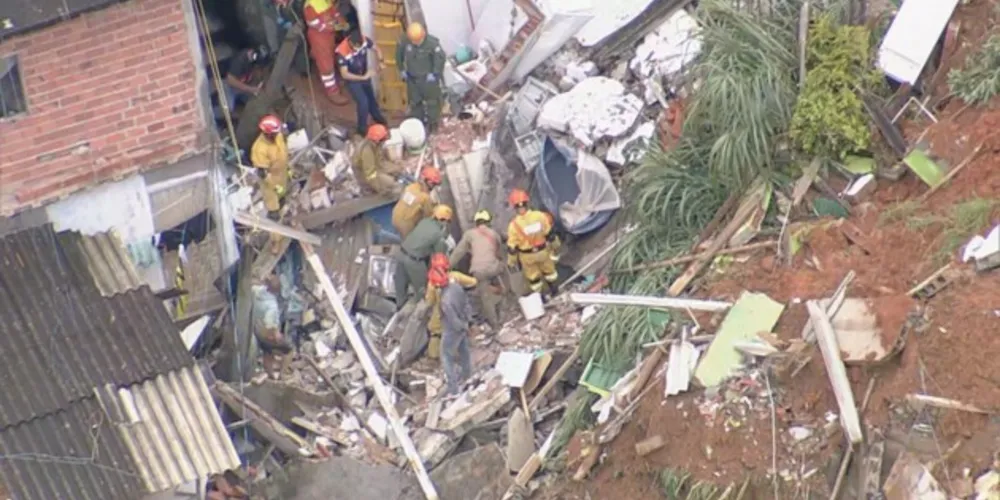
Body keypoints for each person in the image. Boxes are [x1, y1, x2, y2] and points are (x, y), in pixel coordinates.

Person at [450, 209, 505, 329]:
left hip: (478, 271)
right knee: (500, 280)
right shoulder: (494, 234)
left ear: (476, 223)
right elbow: (499, 253)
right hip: (494, 268)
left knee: (485, 297)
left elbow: (459, 252)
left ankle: (495, 325)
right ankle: (503, 306)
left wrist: (447, 266)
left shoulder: (469, 234)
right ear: (488, 222)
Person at [394, 204, 452, 308]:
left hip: (401, 254)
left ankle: (399, 308)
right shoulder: (438, 234)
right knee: (422, 290)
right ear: (444, 221)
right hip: (414, 261)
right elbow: (439, 256)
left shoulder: (424, 221)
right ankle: (420, 314)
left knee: (400, 285)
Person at [506, 189, 561, 298]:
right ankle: (555, 292)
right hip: (543, 252)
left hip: (527, 257)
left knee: (533, 278)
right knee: (550, 273)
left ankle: (541, 298)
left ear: (515, 207)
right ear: (527, 203)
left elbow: (512, 248)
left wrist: (511, 262)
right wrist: (556, 247)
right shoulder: (539, 216)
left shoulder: (513, 225)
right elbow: (550, 235)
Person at [430, 261, 475, 395]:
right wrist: (468, 321)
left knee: (446, 356)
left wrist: (463, 327)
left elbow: (453, 320)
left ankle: (453, 388)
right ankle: (467, 374)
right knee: (463, 349)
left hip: (452, 329)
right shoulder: (456, 287)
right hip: (463, 321)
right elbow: (466, 304)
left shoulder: (445, 301)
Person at [336, 29, 389, 137]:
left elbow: (376, 49)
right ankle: (362, 129)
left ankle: (378, 119)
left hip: (364, 74)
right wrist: (362, 77)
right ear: (351, 43)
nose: (359, 50)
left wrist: (381, 61)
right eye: (357, 48)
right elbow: (344, 74)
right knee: (363, 102)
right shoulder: (342, 51)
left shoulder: (364, 40)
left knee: (371, 99)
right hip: (353, 79)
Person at [395, 22, 446, 132]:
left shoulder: (432, 43)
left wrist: (435, 73)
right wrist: (401, 69)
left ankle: (433, 123)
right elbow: (398, 54)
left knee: (433, 102)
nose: (416, 43)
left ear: (423, 35)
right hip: (412, 79)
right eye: (413, 41)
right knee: (415, 102)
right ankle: (419, 123)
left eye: (418, 41)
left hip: (428, 79)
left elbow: (440, 58)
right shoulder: (405, 40)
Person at [250, 114, 291, 252]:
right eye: (275, 133)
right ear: (267, 134)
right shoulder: (259, 149)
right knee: (274, 212)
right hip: (271, 184)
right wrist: (276, 187)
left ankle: (285, 219)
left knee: (283, 200)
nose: (277, 134)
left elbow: (283, 134)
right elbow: (263, 174)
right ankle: (276, 241)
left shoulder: (277, 135)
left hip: (282, 176)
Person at [426, 253, 476, 360]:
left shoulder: (432, 283)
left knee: (436, 333)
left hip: (440, 312)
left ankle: (434, 358)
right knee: (459, 331)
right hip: (458, 309)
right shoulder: (455, 276)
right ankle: (459, 354)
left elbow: (430, 301)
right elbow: (473, 282)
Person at [304, 0, 351, 101]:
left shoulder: (325, 2)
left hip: (328, 36)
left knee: (330, 57)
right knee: (325, 64)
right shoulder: (311, 5)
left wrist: (340, 19)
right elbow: (313, 22)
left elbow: (333, 11)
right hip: (318, 36)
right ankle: (332, 91)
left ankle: (334, 81)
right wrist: (333, 27)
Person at [252, 274, 294, 379]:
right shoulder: (271, 305)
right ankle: (282, 374)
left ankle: (270, 375)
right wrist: (276, 335)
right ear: (276, 291)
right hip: (267, 334)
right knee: (289, 350)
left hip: (256, 331)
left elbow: (252, 284)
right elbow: (270, 324)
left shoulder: (256, 291)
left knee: (268, 352)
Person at [352, 124, 403, 196]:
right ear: (377, 141)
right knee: (391, 184)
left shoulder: (375, 145)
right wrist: (382, 188)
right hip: (363, 173)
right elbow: (371, 175)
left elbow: (380, 162)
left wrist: (396, 168)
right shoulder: (367, 152)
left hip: (375, 167)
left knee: (396, 171)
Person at [391, 166, 442, 239]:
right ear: (428, 182)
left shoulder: (411, 187)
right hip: (405, 226)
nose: (433, 187)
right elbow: (429, 216)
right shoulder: (425, 198)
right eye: (433, 184)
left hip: (395, 217)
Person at [223, 46, 268, 114]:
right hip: (229, 87)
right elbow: (230, 80)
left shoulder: (252, 61)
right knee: (227, 110)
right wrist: (250, 89)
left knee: (255, 101)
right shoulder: (240, 59)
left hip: (241, 88)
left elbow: (255, 73)